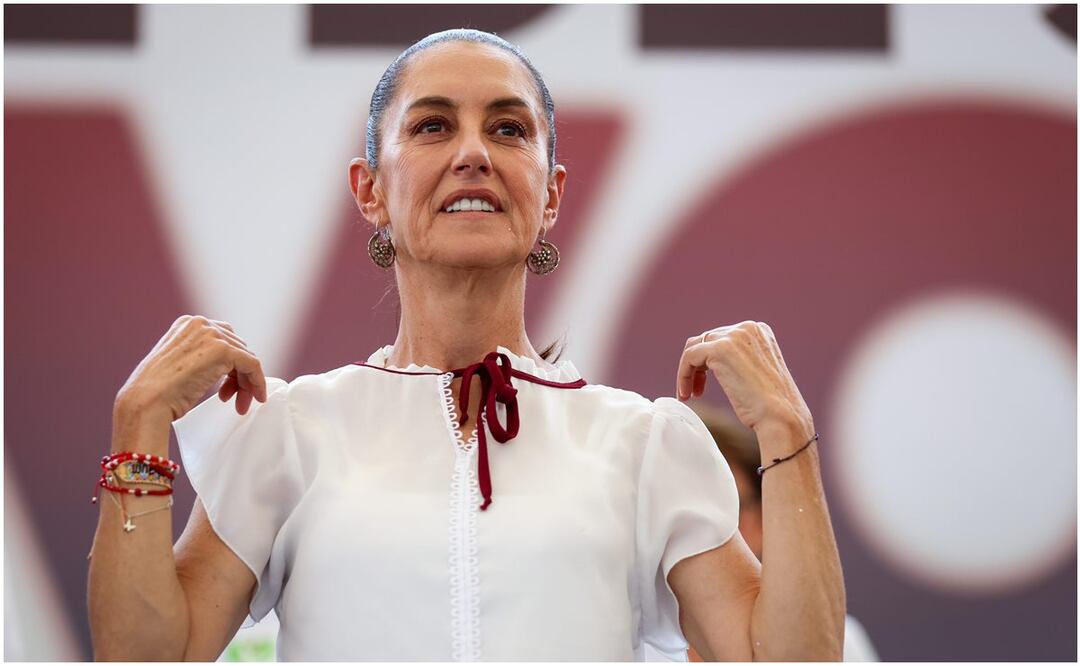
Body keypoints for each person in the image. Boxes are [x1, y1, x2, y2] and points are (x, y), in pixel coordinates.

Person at [87, 29, 845, 661]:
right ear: (369, 189)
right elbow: (148, 655)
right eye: (432, 126)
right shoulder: (291, 431)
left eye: (509, 129)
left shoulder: (644, 443)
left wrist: (788, 438)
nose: (473, 153)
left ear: (549, 192)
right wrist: (138, 425)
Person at [685, 405, 880, 662]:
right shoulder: (625, 642)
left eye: (724, 507)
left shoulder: (838, 643)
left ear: (763, 522)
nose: (703, 531)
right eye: (685, 510)